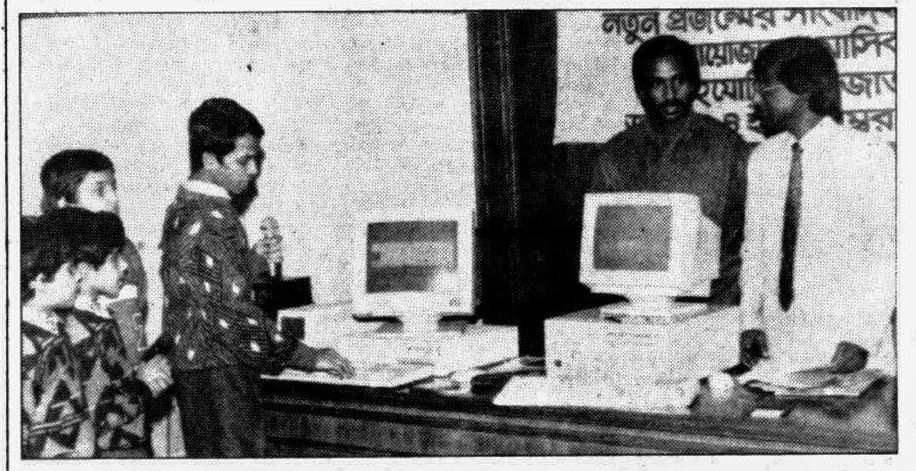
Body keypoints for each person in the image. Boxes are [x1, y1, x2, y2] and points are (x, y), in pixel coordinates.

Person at [159, 97, 355, 458]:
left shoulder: (182, 208)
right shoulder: (215, 218)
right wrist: (307, 355)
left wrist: (254, 261)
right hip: (223, 371)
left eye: (257, 159)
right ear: (209, 160)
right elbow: (233, 313)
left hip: (193, 367)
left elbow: (204, 287)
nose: (253, 170)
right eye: (243, 160)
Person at [738, 37, 895, 376]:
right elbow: (753, 250)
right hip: (780, 347)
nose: (756, 101)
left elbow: (887, 258)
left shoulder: (868, 155)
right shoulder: (763, 159)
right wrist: (750, 320)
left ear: (804, 89)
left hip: (849, 349)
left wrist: (862, 336)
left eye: (766, 90)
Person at [590, 35, 750, 306]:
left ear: (696, 83)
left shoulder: (727, 146)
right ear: (641, 90)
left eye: (680, 81)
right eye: (658, 84)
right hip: (641, 304)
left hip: (718, 302)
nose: (671, 94)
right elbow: (606, 243)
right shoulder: (615, 155)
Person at [59, 208, 172, 457]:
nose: (124, 266)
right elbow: (99, 414)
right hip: (113, 453)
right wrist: (145, 387)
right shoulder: (85, 330)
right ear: (84, 270)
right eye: (114, 259)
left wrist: (140, 376)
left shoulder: (99, 318)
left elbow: (114, 383)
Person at [40, 149, 150, 366]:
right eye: (100, 190)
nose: (114, 199)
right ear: (63, 203)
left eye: (113, 188)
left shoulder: (124, 250)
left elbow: (133, 324)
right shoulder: (46, 258)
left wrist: (140, 369)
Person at [21, 212, 94, 458]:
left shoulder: (55, 329)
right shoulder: (28, 346)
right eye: (71, 269)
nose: (80, 275)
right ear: (39, 279)